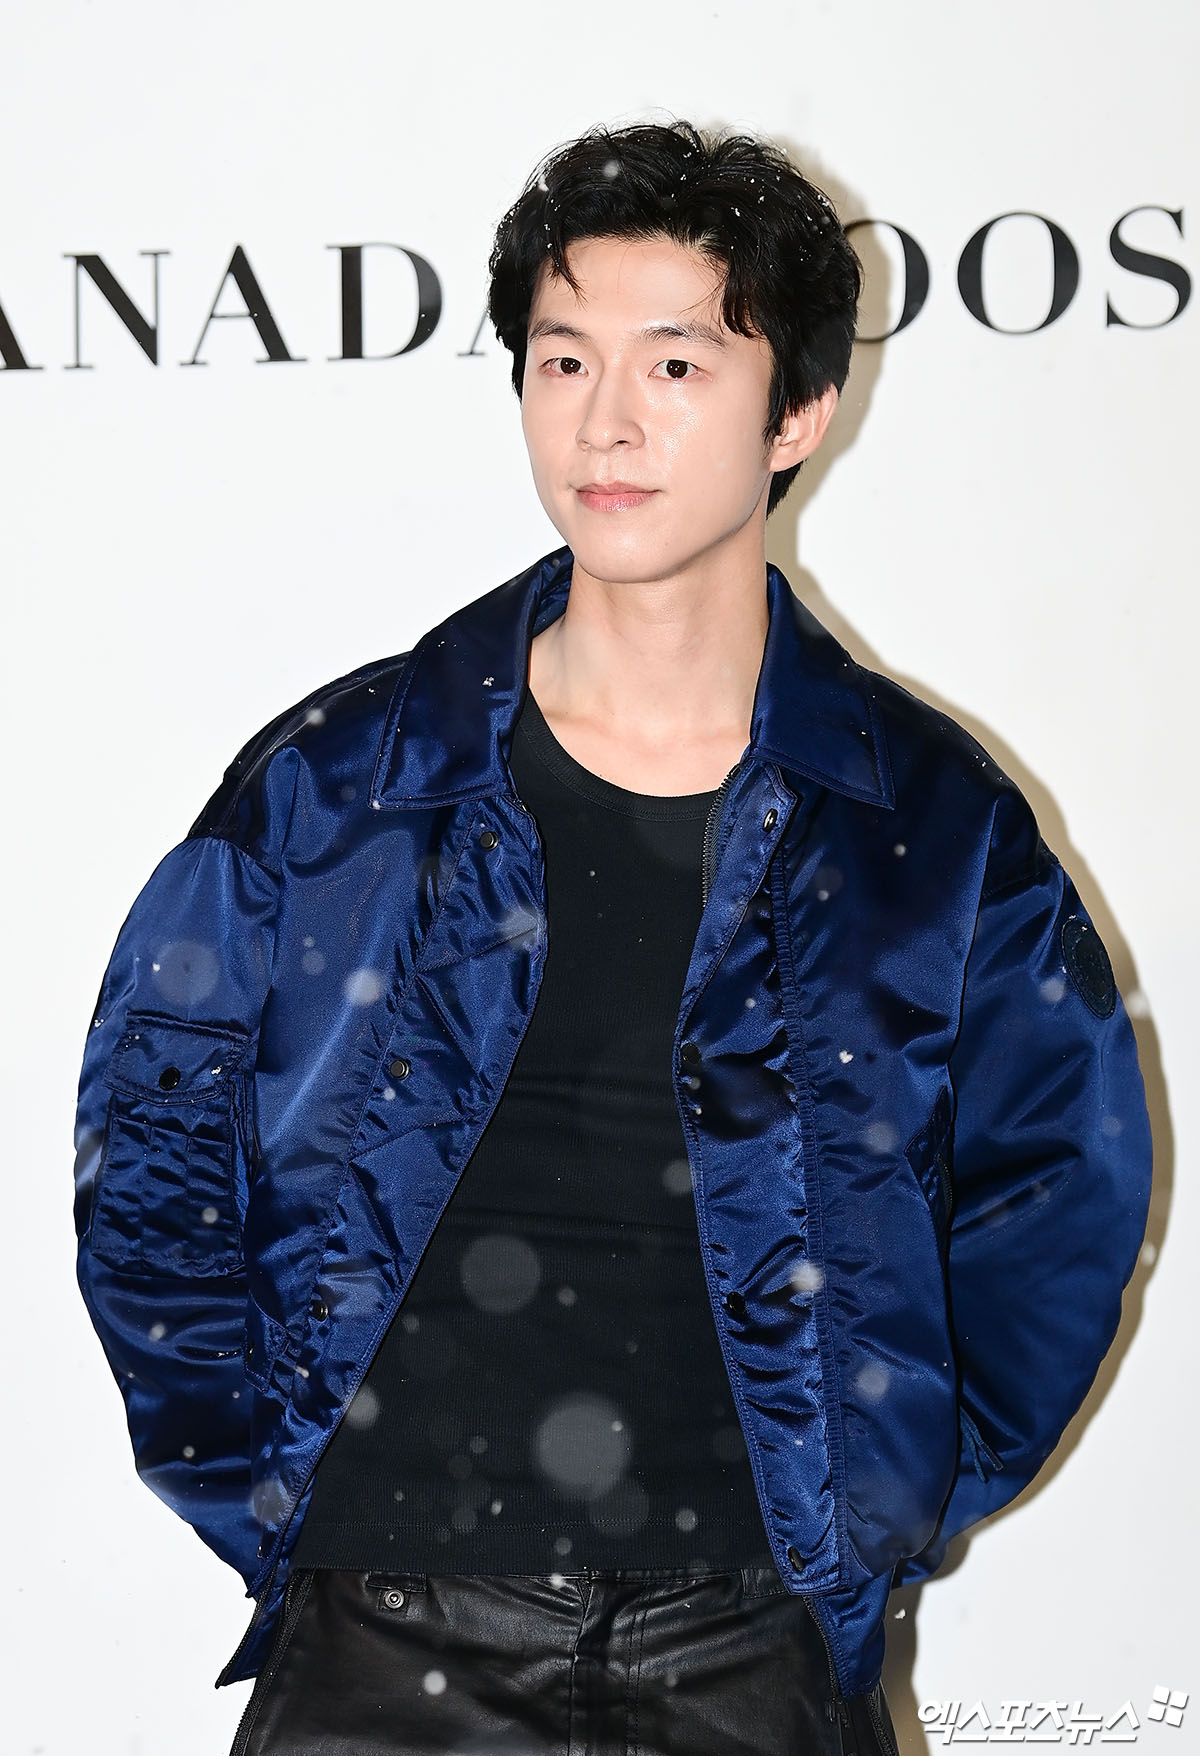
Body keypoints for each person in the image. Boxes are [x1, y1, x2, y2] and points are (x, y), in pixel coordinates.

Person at [72, 119, 1153, 1756]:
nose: (606, 420)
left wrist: (869, 1506)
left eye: (677, 364)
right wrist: (283, 1492)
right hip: (380, 1637)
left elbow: (1059, 1197)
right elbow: (151, 1147)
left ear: (800, 409)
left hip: (753, 1646)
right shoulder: (347, 787)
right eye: (563, 359)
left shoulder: (925, 828)